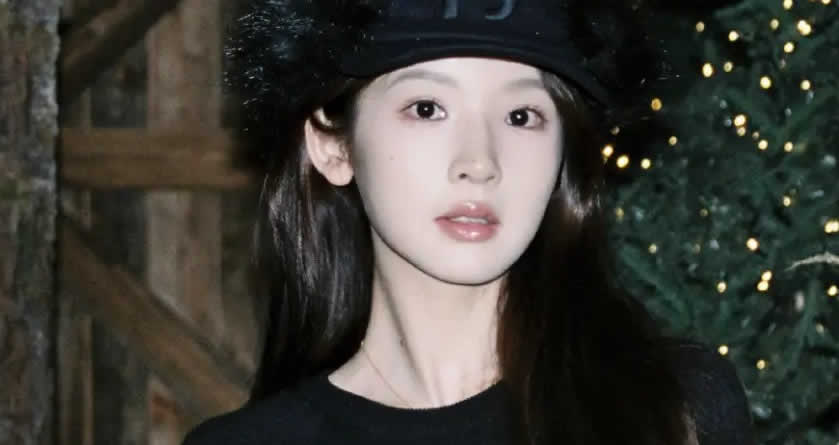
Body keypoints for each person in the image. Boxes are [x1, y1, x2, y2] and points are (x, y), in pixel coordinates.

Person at [184, 0, 755, 444]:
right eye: (427, 108)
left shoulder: (675, 410)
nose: (479, 163)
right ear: (333, 145)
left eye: (521, 115)